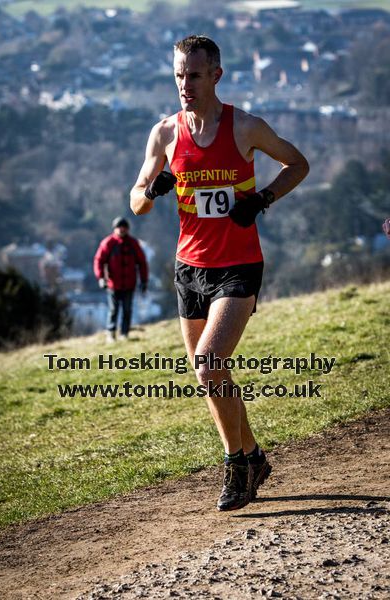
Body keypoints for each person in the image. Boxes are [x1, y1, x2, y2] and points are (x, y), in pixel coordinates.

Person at [130, 35, 309, 511]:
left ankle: (234, 466)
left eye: (193, 75)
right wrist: (153, 188)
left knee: (209, 363)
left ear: (215, 76)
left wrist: (263, 198)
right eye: (177, 75)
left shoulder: (245, 127)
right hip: (190, 268)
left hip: (239, 266)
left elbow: (298, 163)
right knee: (210, 373)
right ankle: (254, 456)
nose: (184, 84)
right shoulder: (165, 133)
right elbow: (136, 202)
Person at [94, 217, 148, 342]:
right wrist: (101, 277)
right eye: (119, 227)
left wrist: (144, 281)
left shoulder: (133, 244)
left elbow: (142, 263)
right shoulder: (108, 243)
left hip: (130, 284)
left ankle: (124, 333)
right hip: (113, 284)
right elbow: (99, 261)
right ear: (115, 228)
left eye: (124, 227)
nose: (122, 229)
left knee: (127, 309)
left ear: (127, 229)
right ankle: (111, 333)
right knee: (113, 310)